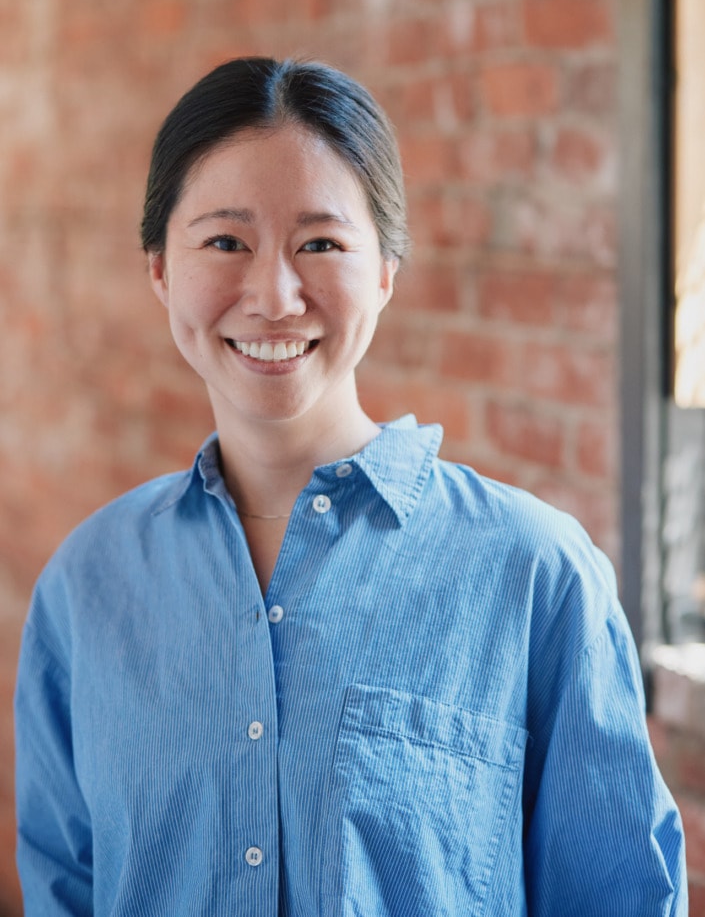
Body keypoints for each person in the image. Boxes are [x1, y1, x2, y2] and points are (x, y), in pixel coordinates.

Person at [15, 57, 687, 916]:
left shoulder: (534, 575)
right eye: (225, 242)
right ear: (158, 269)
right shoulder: (87, 586)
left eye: (320, 244)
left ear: (384, 272)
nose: (273, 296)